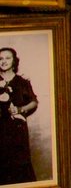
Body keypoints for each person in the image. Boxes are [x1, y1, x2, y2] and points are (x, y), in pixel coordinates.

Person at [0, 47, 38, 184]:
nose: (4, 61)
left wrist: (20, 109)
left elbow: (34, 102)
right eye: (1, 59)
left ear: (14, 61)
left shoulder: (22, 82)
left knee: (19, 165)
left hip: (17, 130)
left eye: (7, 58)